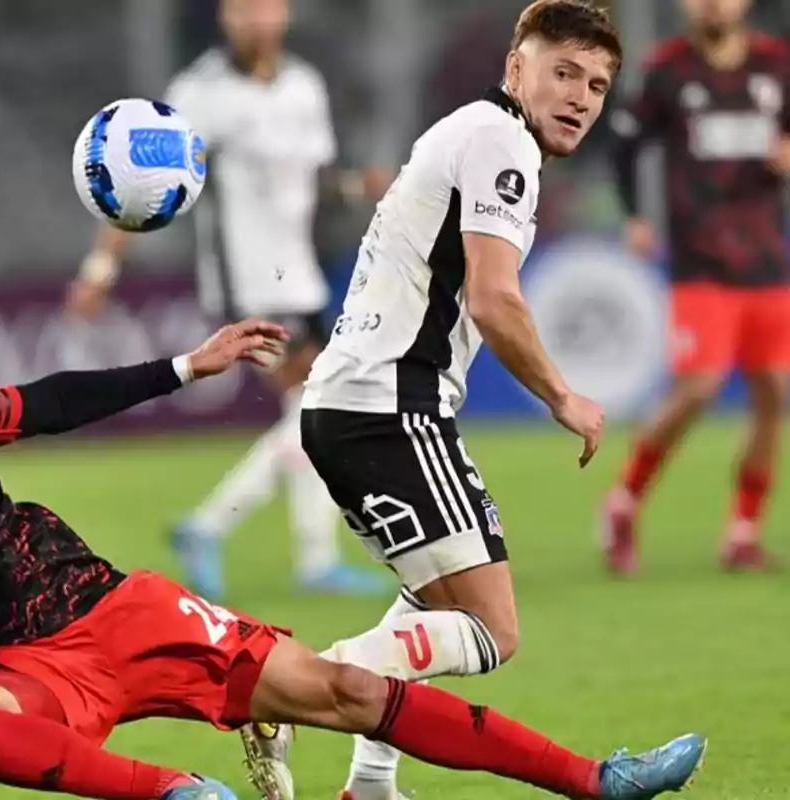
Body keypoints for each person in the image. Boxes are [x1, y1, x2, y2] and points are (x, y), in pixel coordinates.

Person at [0, 302, 704, 800]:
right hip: (11, 672)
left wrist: (187, 366)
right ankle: (181, 794)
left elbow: (50, 402)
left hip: (116, 606)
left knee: (331, 686)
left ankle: (593, 777)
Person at [241, 2, 623, 798]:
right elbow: (494, 298)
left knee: (428, 598)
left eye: (596, 82)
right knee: (492, 631)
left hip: (355, 405)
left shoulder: (474, 130)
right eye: (563, 72)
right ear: (517, 67)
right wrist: (562, 395)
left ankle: (371, 784)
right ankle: (291, 685)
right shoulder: (500, 139)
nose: (581, 96)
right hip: (391, 407)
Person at [67, 0, 391, 600]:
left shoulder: (303, 86)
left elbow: (315, 182)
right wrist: (102, 264)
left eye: (267, 7)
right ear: (225, 17)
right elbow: (139, 184)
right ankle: (217, 528)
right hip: (247, 283)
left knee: (312, 410)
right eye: (244, 8)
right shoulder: (199, 94)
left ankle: (298, 555)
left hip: (301, 276)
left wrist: (357, 188)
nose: (257, 19)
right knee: (325, 405)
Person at [602, 0, 790, 573]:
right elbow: (625, 142)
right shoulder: (669, 68)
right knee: (700, 387)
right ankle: (624, 501)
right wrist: (635, 214)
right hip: (701, 259)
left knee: (774, 394)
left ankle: (742, 532)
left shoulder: (777, 65)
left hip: (766, 258)